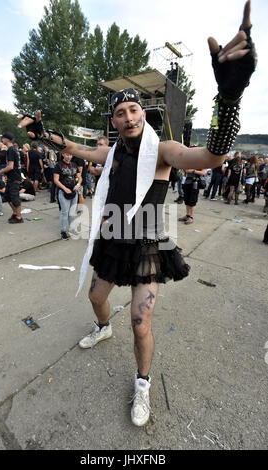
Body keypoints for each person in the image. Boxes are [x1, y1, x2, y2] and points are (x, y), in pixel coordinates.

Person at [17, 1, 256, 427]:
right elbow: (73, 149)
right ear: (113, 120)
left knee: (140, 321)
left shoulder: (161, 151)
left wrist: (230, 97)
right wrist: (44, 135)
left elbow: (211, 156)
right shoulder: (110, 153)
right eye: (120, 112)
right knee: (95, 298)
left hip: (148, 242)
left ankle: (142, 382)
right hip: (112, 239)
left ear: (143, 115)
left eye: (134, 111)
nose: (128, 117)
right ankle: (101, 327)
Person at [0, 132, 23, 223]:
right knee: (7, 196)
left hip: (15, 178)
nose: (2, 140)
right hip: (12, 177)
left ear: (6, 139)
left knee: (14, 198)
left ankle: (19, 217)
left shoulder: (11, 150)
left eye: (2, 138)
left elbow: (10, 166)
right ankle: (15, 213)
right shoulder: (12, 149)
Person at [53, 151, 82, 239]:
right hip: (63, 192)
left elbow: (79, 177)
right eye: (67, 154)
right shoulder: (58, 165)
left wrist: (78, 185)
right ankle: (63, 231)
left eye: (70, 154)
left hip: (74, 192)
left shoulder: (74, 164)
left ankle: (72, 229)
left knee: (72, 212)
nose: (69, 156)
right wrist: (64, 188)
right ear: (63, 154)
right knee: (64, 212)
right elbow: (56, 180)